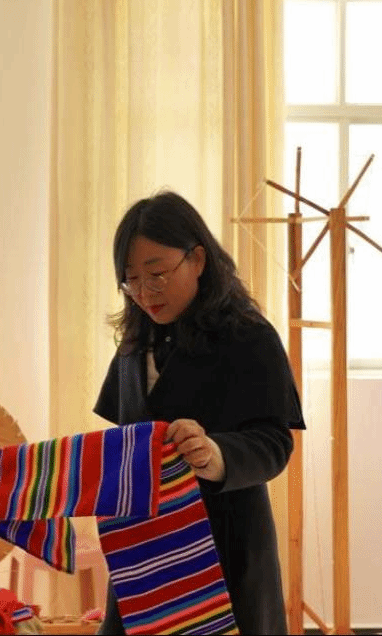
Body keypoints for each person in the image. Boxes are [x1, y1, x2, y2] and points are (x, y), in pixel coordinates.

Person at [93, 191, 305, 635]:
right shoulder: (134, 343)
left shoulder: (249, 336)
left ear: (198, 259)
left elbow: (274, 443)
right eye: (131, 280)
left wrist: (214, 453)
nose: (144, 293)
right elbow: (123, 438)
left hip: (222, 548)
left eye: (157, 275)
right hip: (144, 552)